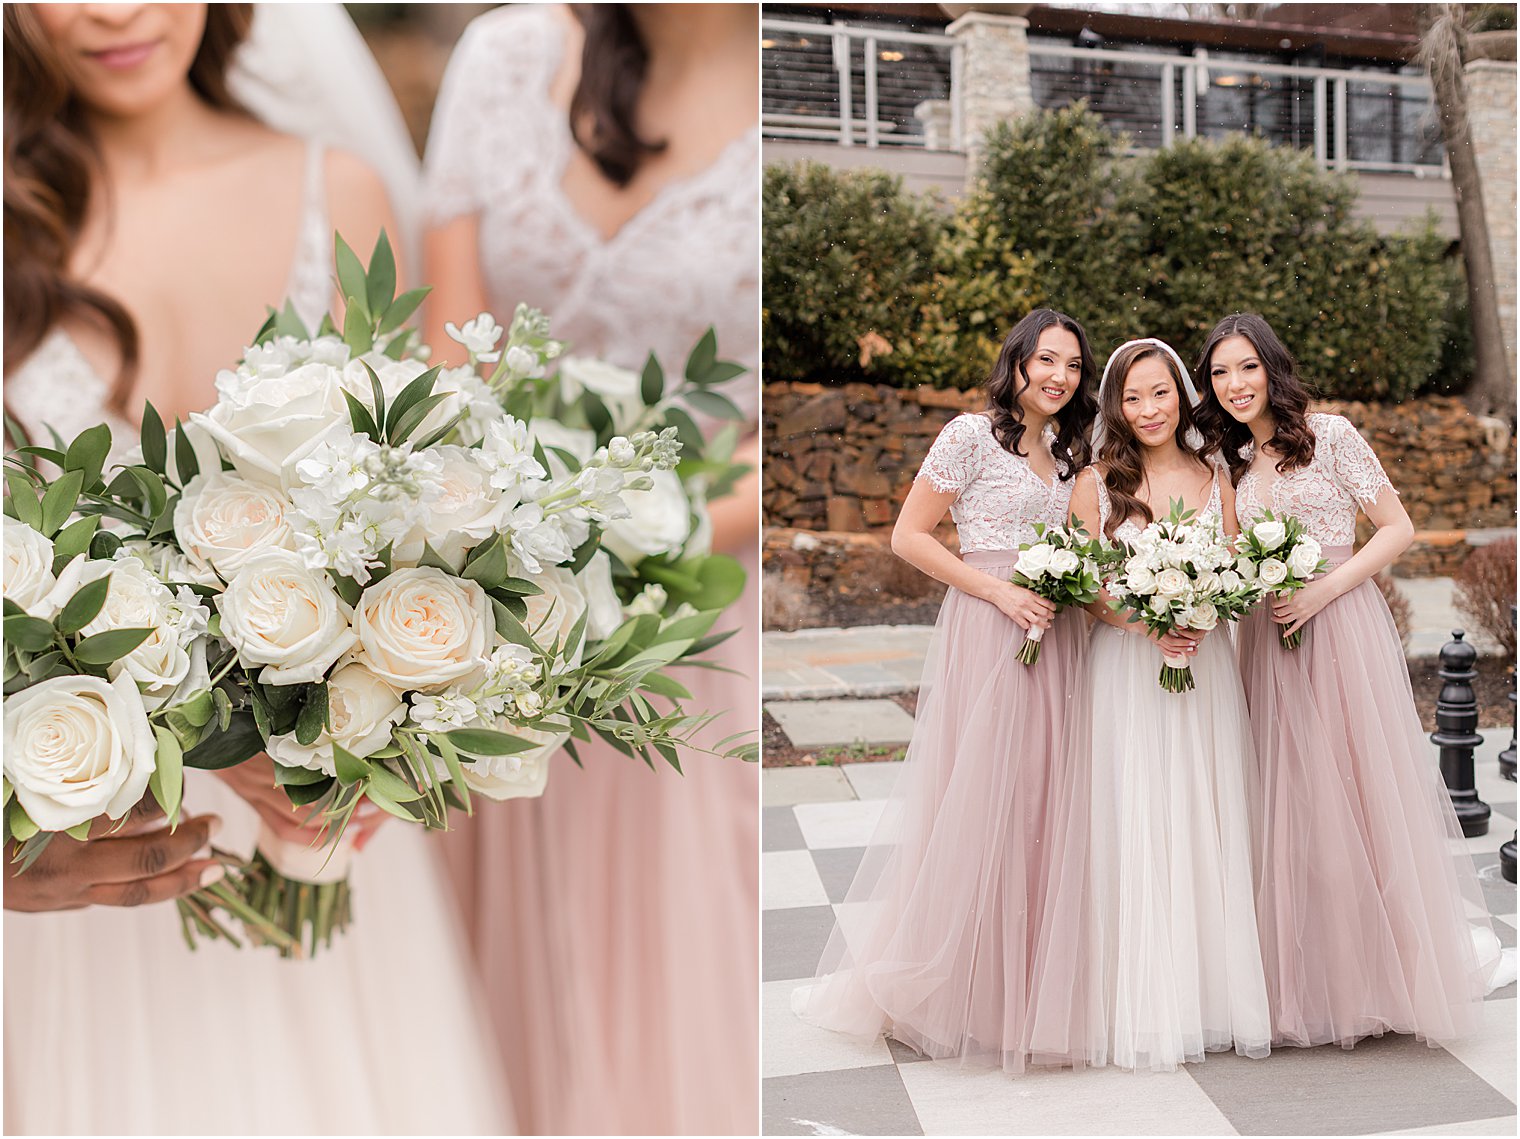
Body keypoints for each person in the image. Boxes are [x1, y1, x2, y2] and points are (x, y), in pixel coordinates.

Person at [2, 5, 510, 1131]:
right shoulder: (9, 218)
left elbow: (420, 505)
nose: (115, 10)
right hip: (80, 834)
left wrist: (382, 717)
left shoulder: (343, 192)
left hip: (318, 819)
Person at [421, 4, 759, 1133]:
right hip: (487, 604)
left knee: (674, 975)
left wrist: (629, 543)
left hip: (696, 616)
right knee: (488, 991)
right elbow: (448, 348)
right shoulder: (505, 55)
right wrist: (510, 541)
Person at [793, 309, 1098, 1071]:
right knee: (976, 798)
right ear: (1018, 361)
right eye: (1047, 360)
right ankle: (944, 983)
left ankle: (1018, 986)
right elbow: (909, 535)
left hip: (1053, 636)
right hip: (988, 629)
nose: (1059, 376)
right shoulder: (968, 435)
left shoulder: (1070, 453)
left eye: (1072, 365)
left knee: (1038, 801)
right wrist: (997, 593)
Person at [1194, 312, 1489, 1049]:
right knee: (1286, 804)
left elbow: (1397, 527)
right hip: (1266, 636)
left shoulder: (1331, 435)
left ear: (1272, 368)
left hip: (1338, 628)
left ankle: (1380, 975)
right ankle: (1304, 972)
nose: (1235, 385)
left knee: (1354, 799)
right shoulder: (1225, 464)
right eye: (1221, 372)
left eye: (1247, 367)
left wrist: (1327, 587)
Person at [1068, 337, 1271, 1072]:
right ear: (1115, 407)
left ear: (1183, 395)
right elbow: (1084, 590)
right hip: (1127, 670)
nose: (1147, 409)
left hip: (1203, 664)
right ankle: (1140, 995)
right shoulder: (1096, 483)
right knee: (1138, 814)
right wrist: (1145, 622)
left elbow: (1234, 564)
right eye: (1131, 397)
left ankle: (1211, 993)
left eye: (1159, 392)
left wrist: (1200, 613)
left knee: (1203, 812)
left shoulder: (1217, 475)